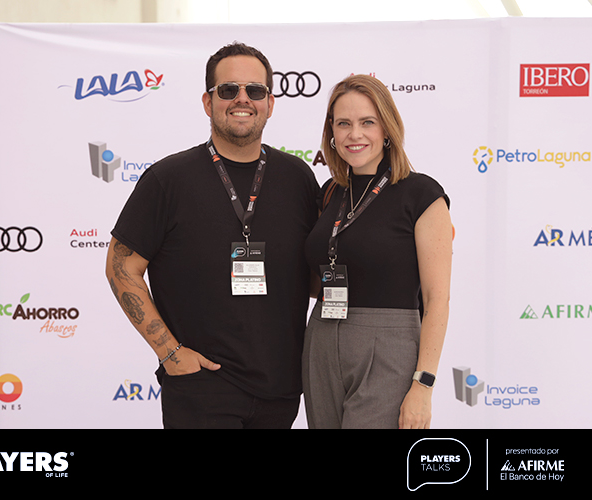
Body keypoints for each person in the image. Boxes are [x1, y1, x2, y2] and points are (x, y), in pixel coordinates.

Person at [105, 42, 319, 429]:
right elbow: (121, 268)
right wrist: (169, 352)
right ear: (208, 102)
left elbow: (316, 270)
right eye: (228, 89)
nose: (243, 99)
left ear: (270, 103)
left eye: (255, 90)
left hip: (282, 391)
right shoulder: (168, 180)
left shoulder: (298, 178)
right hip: (201, 390)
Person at [302, 74, 452, 429]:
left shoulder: (422, 195)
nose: (354, 134)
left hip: (388, 347)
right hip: (322, 338)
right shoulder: (330, 193)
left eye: (367, 122)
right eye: (344, 123)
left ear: (387, 129)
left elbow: (437, 300)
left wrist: (423, 385)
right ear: (332, 133)